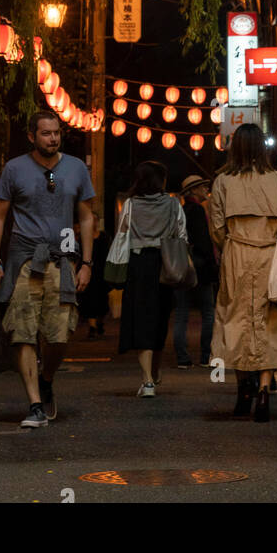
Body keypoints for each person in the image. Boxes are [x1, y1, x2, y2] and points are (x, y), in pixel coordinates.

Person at [0, 110, 95, 428]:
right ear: (32, 136)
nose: (53, 138)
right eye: (46, 133)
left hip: (62, 257)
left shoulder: (76, 168)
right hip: (23, 259)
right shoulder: (14, 168)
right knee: (23, 332)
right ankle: (34, 403)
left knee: (59, 335)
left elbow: (87, 216)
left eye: (56, 133)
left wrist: (86, 263)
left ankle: (46, 378)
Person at [209, 122, 277, 423]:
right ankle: (263, 388)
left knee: (235, 320)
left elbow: (217, 228)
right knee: (270, 319)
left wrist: (233, 244)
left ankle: (242, 388)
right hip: (270, 256)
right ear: (262, 147)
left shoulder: (223, 181)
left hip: (237, 254)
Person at [116, 160, 188, 397]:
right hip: (164, 264)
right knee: (160, 318)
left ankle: (147, 380)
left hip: (138, 265)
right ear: (160, 181)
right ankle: (154, 372)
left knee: (142, 320)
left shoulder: (130, 205)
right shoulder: (173, 204)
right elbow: (182, 234)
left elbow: (122, 234)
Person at [173, 174, 218, 368]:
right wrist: (212, 263)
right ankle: (205, 355)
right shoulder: (198, 211)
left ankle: (182, 358)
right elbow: (203, 242)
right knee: (208, 312)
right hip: (201, 268)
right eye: (200, 187)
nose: (204, 190)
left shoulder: (180, 211)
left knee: (181, 313)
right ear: (192, 191)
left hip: (182, 267)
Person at [78, 211, 111, 338]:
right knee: (89, 300)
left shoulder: (104, 237)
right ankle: (92, 327)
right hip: (88, 272)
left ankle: (100, 322)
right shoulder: (83, 237)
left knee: (102, 300)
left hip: (101, 273)